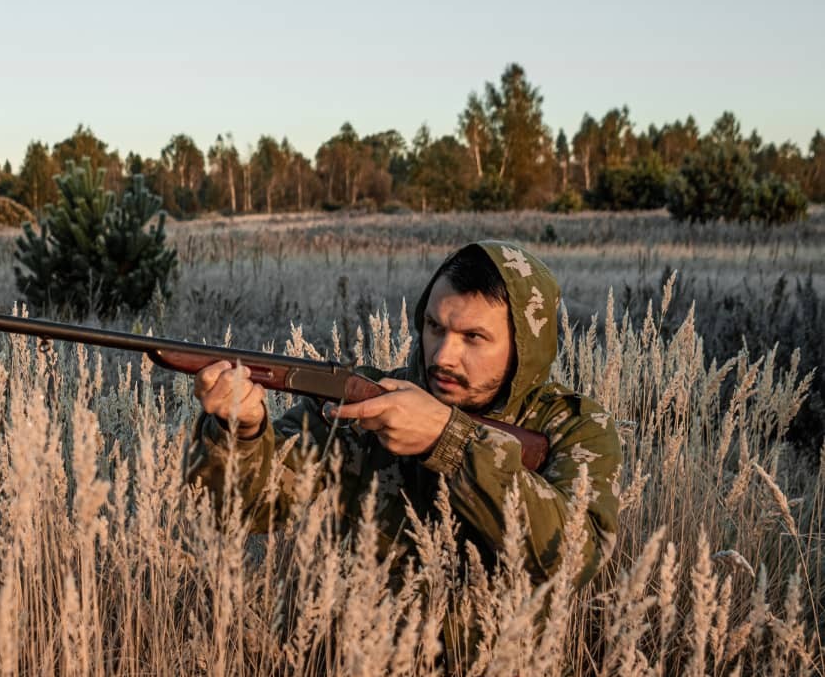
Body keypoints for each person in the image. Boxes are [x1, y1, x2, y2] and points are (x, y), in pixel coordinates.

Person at [185, 240, 621, 592]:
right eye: (435, 327)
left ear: (524, 347)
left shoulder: (575, 428)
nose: (444, 355)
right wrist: (241, 431)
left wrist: (450, 443)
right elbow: (251, 511)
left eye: (474, 337)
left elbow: (571, 558)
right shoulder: (361, 404)